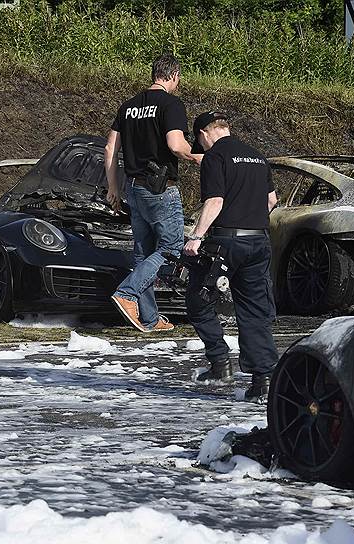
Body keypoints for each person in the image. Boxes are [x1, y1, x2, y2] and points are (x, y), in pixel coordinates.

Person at [184, 111, 279, 401]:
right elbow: (272, 201)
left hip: (226, 242)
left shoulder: (215, 157)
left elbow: (215, 200)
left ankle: (219, 362)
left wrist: (196, 237)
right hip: (259, 242)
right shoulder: (257, 157)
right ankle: (262, 382)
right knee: (254, 311)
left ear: (203, 134)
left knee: (198, 300)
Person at [104, 53, 201, 332]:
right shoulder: (171, 104)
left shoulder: (128, 106)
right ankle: (127, 292)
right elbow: (175, 145)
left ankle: (148, 318)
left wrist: (113, 187)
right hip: (160, 189)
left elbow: (110, 148)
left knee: (143, 252)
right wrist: (199, 158)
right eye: (178, 78)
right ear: (173, 76)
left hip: (133, 188)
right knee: (170, 249)